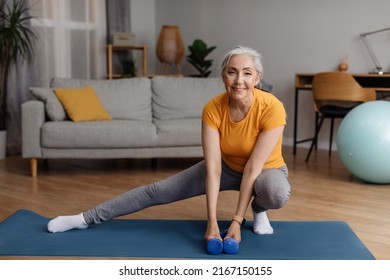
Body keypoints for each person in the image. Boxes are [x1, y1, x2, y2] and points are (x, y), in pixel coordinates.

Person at [47, 45, 291, 245]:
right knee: (156, 191)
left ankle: (259, 210)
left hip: (264, 172)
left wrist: (237, 221)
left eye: (247, 73)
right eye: (232, 72)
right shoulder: (213, 108)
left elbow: (252, 168)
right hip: (225, 168)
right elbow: (214, 168)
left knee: (275, 192)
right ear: (223, 76)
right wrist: (212, 222)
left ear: (257, 78)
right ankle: (83, 219)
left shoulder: (272, 107)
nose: (239, 80)